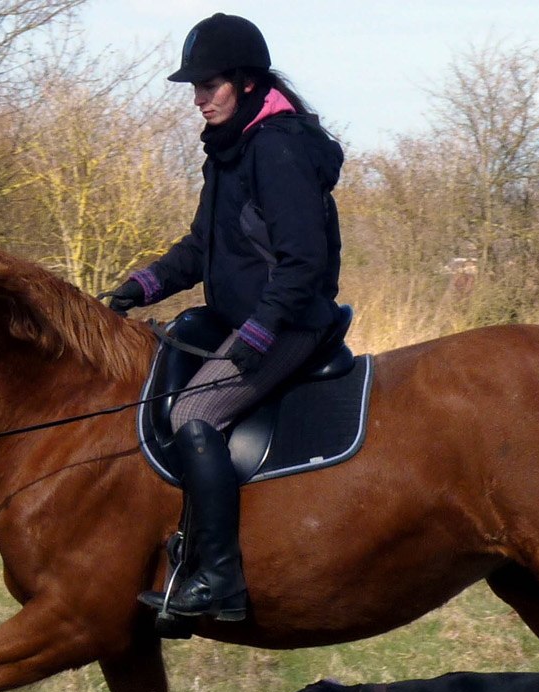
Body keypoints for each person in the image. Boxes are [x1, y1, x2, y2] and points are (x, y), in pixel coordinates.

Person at [103, 12, 346, 623]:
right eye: (193, 88)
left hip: (292, 323)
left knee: (194, 413)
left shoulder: (278, 148)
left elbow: (304, 260)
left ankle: (220, 580)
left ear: (244, 82)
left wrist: (261, 331)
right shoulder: (230, 150)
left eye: (208, 85)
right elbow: (202, 247)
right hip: (243, 315)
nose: (198, 100)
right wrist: (142, 285)